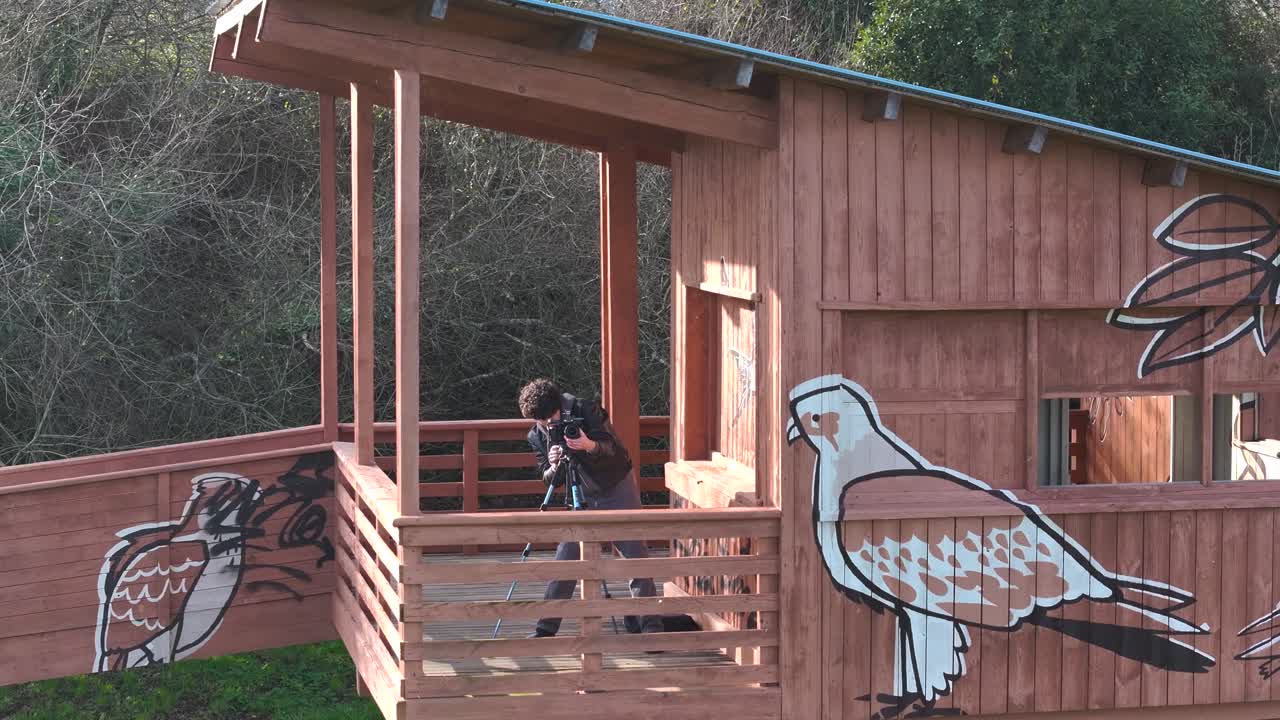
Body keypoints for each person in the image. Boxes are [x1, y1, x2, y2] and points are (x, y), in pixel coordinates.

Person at [517, 378, 663, 638]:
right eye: (539, 421)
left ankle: (651, 625)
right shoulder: (536, 434)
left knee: (635, 555)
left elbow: (616, 452)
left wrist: (589, 446)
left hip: (616, 487)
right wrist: (553, 466)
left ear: (559, 406)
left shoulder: (586, 410)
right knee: (566, 558)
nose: (546, 424)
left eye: (549, 418)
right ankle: (545, 629)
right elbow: (549, 480)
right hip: (580, 495)